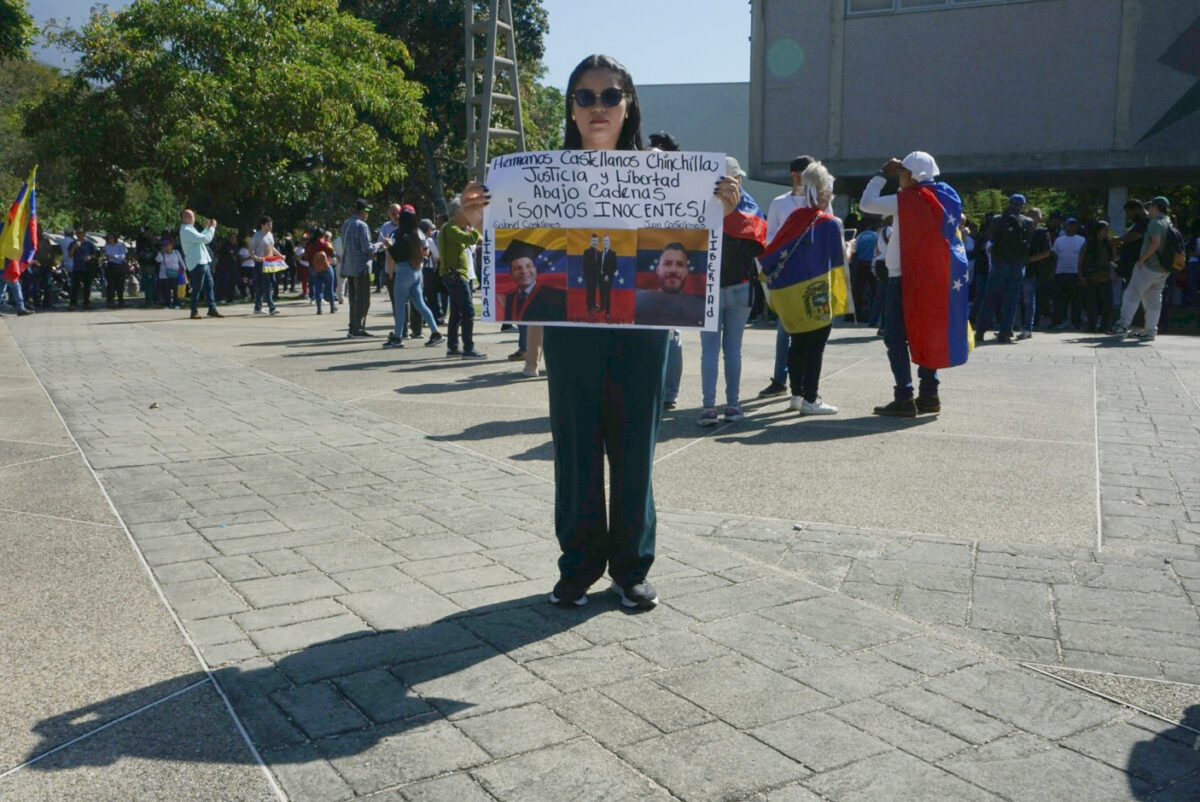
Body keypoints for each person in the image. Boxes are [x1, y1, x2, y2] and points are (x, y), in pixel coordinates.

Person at [531, 53, 739, 611]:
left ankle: (630, 567)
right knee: (575, 448)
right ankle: (577, 566)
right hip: (572, 330)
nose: (597, 106)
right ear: (571, 109)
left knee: (634, 447)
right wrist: (474, 216)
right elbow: (506, 245)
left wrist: (724, 205)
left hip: (642, 328)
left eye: (609, 96)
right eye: (585, 96)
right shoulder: (533, 177)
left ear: (629, 106)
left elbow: (712, 237)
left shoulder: (669, 173)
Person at [859, 151, 969, 417]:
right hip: (932, 277)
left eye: (902, 173)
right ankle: (930, 394)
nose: (899, 178)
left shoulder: (906, 200)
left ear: (911, 175)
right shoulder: (947, 196)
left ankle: (904, 396)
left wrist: (881, 174)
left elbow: (866, 203)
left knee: (895, 337)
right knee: (927, 333)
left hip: (903, 276)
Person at [758, 160, 844, 416]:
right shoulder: (829, 223)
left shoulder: (795, 217)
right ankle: (811, 397)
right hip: (817, 293)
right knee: (815, 347)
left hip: (792, 294)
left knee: (797, 344)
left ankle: (796, 394)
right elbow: (839, 262)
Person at [697, 156, 765, 425]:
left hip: (708, 289)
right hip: (740, 288)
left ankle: (708, 407)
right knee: (733, 349)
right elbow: (759, 247)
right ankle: (733, 405)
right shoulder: (750, 209)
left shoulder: (698, 209)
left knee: (709, 350)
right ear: (736, 180)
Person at [760, 154, 816, 399]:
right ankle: (780, 379)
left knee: (812, 333)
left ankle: (806, 385)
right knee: (785, 332)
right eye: (801, 174)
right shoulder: (779, 203)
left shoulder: (820, 202)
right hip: (787, 275)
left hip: (813, 275)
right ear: (794, 175)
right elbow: (769, 237)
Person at [1111, 196, 1175, 342]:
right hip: (1163, 269)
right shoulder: (1168, 221)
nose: (1148, 209)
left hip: (1149, 266)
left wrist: (1142, 259)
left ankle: (1122, 325)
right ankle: (1151, 330)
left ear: (1156, 207)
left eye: (1151, 206)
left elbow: (1155, 243)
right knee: (1153, 299)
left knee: (1132, 294)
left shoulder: (1155, 223)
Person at [974, 194, 1032, 345]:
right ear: (1022, 206)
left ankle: (980, 332)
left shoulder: (997, 219)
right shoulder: (1028, 222)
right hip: (1017, 265)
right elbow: (1028, 244)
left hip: (999, 263)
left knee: (989, 298)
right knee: (1011, 300)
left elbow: (991, 239)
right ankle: (1005, 333)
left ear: (1009, 203)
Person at [383, 208, 443, 348]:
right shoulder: (417, 233)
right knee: (420, 304)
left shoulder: (402, 235)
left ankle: (398, 337)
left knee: (399, 306)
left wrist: (388, 246)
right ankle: (435, 332)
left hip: (403, 272)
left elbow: (397, 255)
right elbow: (424, 252)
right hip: (416, 271)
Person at [438, 196, 486, 358]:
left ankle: (453, 347)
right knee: (468, 311)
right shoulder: (451, 229)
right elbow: (470, 239)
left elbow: (468, 241)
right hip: (456, 275)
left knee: (457, 312)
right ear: (458, 213)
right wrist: (476, 227)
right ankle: (468, 348)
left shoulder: (450, 228)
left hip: (454, 274)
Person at [633, 243, 704, 326]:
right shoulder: (637, 300)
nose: (673, 270)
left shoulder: (700, 308)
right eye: (667, 264)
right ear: (658, 270)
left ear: (686, 271)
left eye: (680, 264)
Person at [340, 199, 378, 338]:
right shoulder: (362, 225)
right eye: (367, 211)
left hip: (349, 266)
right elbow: (366, 248)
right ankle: (357, 329)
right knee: (363, 300)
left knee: (353, 300)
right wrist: (379, 245)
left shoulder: (346, 224)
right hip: (361, 267)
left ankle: (353, 327)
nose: (368, 214)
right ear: (363, 211)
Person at [178, 209, 223, 319]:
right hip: (197, 262)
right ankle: (194, 311)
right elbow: (206, 239)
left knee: (209, 285)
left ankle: (212, 309)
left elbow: (200, 238)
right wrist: (212, 228)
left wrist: (207, 228)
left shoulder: (190, 229)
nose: (193, 219)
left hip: (202, 260)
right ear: (186, 218)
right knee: (197, 287)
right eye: (192, 217)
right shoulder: (186, 230)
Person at [1079, 221, 1115, 332]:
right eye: (1105, 230)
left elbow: (1113, 259)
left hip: (1105, 276)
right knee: (1091, 304)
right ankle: (1091, 326)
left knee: (1107, 304)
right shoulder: (1089, 244)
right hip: (1091, 276)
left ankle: (1105, 326)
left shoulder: (1108, 244)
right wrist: (1081, 276)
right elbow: (1081, 261)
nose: (1107, 232)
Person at [1050, 218, 1085, 330]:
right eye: (1069, 225)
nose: (1071, 228)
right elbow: (1054, 255)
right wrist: (1053, 271)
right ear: (1065, 226)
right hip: (1061, 272)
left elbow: (1084, 257)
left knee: (1076, 300)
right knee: (1059, 300)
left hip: (1076, 273)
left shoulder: (1082, 240)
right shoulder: (1059, 240)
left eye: (1074, 225)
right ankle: (1058, 321)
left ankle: (1076, 322)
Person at [250, 216, 279, 315]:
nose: (270, 226)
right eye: (268, 224)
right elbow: (251, 250)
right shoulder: (257, 236)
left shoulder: (270, 235)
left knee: (267, 284)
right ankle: (272, 307)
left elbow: (271, 247)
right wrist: (256, 258)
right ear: (262, 225)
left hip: (270, 262)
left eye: (271, 224)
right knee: (267, 284)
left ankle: (257, 307)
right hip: (261, 263)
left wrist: (279, 255)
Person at [306, 230, 336, 314]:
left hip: (315, 269)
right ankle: (332, 307)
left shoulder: (309, 245)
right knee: (330, 288)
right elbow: (332, 253)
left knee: (318, 289)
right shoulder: (325, 243)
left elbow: (307, 257)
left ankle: (319, 309)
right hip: (327, 267)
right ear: (322, 235)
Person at [155, 235, 185, 308]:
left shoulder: (176, 252)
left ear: (172, 246)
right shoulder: (162, 254)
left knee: (175, 290)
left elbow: (181, 262)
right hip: (164, 275)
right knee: (166, 290)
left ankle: (176, 304)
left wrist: (183, 270)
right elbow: (158, 260)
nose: (167, 247)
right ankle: (167, 304)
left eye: (168, 245)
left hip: (175, 274)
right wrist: (161, 251)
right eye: (165, 246)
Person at [102, 232, 130, 308]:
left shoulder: (120, 245)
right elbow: (107, 255)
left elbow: (122, 256)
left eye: (111, 238)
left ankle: (121, 300)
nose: (110, 240)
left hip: (119, 266)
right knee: (110, 285)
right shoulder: (107, 245)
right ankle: (110, 301)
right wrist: (112, 257)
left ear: (115, 238)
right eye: (109, 238)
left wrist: (114, 256)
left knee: (120, 285)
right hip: (110, 266)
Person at [582, 233, 601, 313]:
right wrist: (587, 276)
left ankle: (593, 304)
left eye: (596, 241)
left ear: (597, 242)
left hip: (596, 276)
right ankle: (589, 308)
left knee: (594, 291)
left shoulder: (598, 252)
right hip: (589, 276)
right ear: (591, 242)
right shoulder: (587, 252)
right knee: (589, 292)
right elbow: (584, 265)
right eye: (593, 241)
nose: (594, 242)